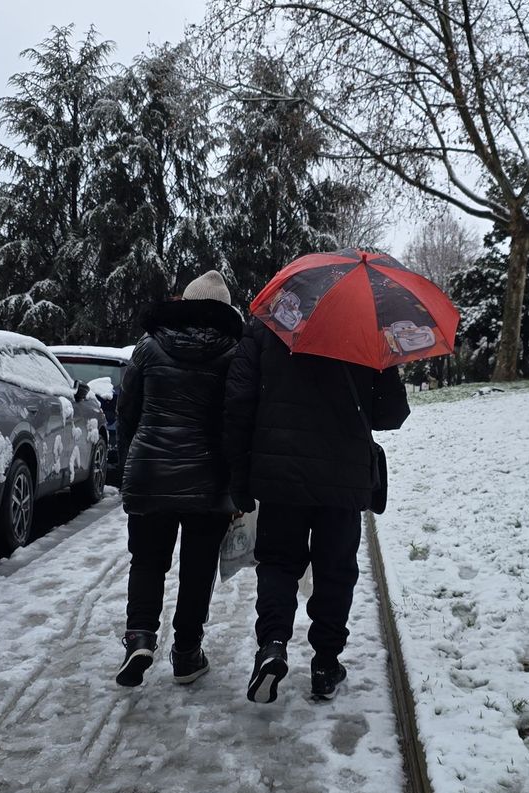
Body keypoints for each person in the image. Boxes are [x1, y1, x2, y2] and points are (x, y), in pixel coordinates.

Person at [223, 316, 410, 703]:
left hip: (280, 475)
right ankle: (326, 663)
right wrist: (386, 362)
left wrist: (239, 481)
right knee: (335, 570)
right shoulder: (367, 334)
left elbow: (238, 403)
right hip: (342, 478)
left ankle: (272, 645)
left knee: (277, 563)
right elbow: (390, 415)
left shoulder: (265, 328)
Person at [113, 270, 244, 688]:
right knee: (198, 568)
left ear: (185, 303)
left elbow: (126, 410)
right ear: (224, 310)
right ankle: (187, 654)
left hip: (151, 472)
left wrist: (129, 461)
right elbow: (236, 422)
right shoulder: (234, 353)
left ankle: (140, 636)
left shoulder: (148, 347)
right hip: (208, 478)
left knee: (148, 560)